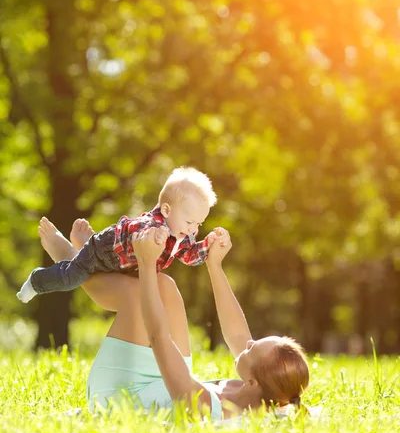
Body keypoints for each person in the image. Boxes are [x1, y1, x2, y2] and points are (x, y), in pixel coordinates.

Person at [39, 216, 309, 420]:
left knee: (136, 297)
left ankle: (72, 261)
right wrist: (214, 265)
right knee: (165, 286)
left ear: (254, 382)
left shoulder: (203, 407)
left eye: (252, 349)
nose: (248, 344)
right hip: (160, 378)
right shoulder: (260, 389)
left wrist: (146, 263)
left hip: (120, 395)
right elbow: (238, 336)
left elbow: (159, 337)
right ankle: (83, 260)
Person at [17, 167, 226, 303]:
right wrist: (152, 235)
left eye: (199, 224)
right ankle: (38, 280)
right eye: (190, 222)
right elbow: (138, 230)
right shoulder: (152, 224)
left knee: (127, 291)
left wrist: (209, 245)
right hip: (101, 253)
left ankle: (76, 248)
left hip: (126, 269)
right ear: (167, 210)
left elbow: (190, 257)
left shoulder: (182, 233)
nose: (193, 229)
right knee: (73, 277)